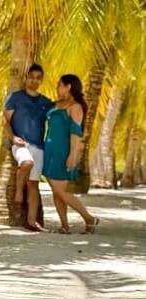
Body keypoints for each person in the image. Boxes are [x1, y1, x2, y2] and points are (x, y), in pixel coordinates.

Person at [43, 74, 99, 234]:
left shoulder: (76, 107)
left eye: (59, 85)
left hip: (63, 152)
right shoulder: (56, 104)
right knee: (56, 191)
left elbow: (76, 134)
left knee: (61, 191)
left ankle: (89, 218)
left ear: (68, 87)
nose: (57, 87)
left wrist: (73, 155)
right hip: (49, 151)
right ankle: (64, 226)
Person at [3, 64, 54, 231]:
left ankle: (32, 222)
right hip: (21, 144)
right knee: (26, 163)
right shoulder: (15, 97)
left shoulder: (46, 103)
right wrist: (13, 137)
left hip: (39, 146)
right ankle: (18, 193)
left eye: (38, 78)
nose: (34, 80)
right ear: (27, 77)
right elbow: (6, 123)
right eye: (32, 77)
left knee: (33, 185)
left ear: (41, 80)